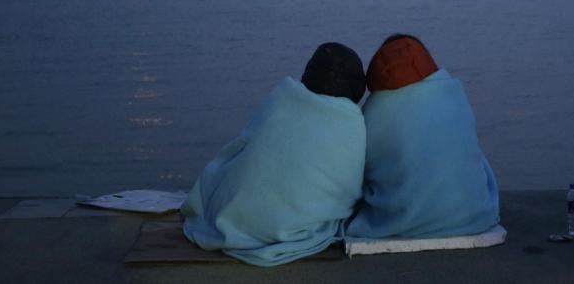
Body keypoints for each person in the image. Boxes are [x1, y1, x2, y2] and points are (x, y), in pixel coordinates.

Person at [181, 42, 367, 266]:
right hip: (290, 228)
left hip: (233, 216)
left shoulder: (284, 97)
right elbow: (348, 190)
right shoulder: (350, 121)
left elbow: (244, 146)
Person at [346, 34, 500, 239]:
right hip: (472, 216)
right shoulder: (453, 92)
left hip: (401, 222)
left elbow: (361, 172)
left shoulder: (373, 112)